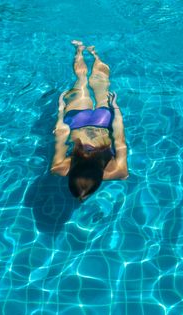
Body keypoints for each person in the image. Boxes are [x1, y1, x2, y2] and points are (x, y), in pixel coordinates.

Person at [51, 40, 128, 201]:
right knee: (81, 81)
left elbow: (120, 140)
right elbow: (61, 133)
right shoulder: (58, 168)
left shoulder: (119, 171)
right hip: (77, 120)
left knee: (101, 86)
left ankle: (94, 53)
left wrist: (115, 108)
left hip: (104, 121)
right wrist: (60, 110)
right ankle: (81, 50)